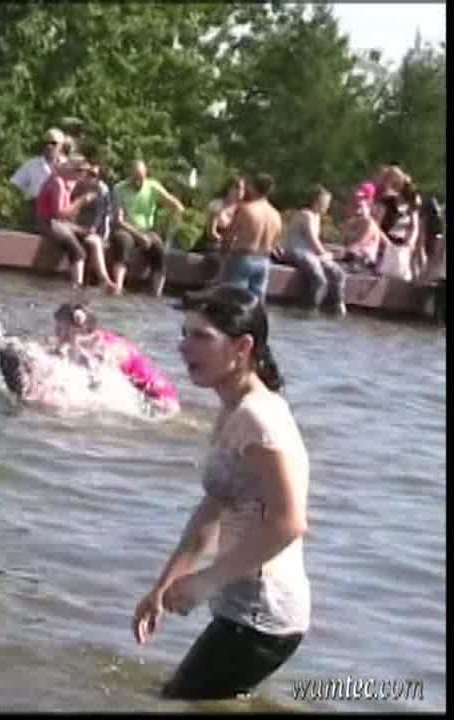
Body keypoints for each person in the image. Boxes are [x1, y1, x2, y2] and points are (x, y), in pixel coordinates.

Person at [132, 284, 310, 700]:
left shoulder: (258, 418)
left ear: (242, 347)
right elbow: (212, 508)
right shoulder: (233, 409)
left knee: (174, 701)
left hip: (263, 616)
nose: (184, 347)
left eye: (201, 336)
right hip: (242, 608)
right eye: (184, 333)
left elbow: (289, 522)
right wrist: (163, 586)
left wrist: (205, 582)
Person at [51, 302, 180, 413]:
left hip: (161, 403)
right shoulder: (91, 342)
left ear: (79, 328)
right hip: (151, 399)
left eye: (60, 327)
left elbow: (99, 386)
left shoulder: (105, 349)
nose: (55, 332)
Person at [36, 156, 117, 290]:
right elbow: (60, 213)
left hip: (60, 224)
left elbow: (68, 214)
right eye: (82, 173)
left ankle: (104, 279)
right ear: (73, 170)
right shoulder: (58, 183)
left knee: (94, 238)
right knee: (79, 252)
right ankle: (76, 286)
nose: (82, 178)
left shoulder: (65, 183)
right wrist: (81, 201)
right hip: (49, 223)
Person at [107, 159, 185, 297]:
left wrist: (174, 214)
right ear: (130, 175)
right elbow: (118, 221)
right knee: (122, 242)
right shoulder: (119, 189)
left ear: (146, 175)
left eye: (141, 178)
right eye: (136, 178)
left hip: (147, 230)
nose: (139, 182)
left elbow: (175, 204)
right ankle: (118, 287)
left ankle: (156, 292)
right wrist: (138, 236)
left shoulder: (153, 186)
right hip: (126, 228)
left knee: (159, 250)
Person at [279, 185, 347, 315]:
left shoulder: (317, 217)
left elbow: (315, 243)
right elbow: (312, 239)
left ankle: (337, 305)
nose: (328, 206)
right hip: (296, 251)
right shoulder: (306, 215)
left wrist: (328, 252)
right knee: (319, 278)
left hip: (310, 253)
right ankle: (309, 310)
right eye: (326, 202)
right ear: (316, 201)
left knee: (338, 273)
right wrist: (325, 254)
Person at [217, 173, 283, 304]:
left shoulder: (247, 209)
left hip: (243, 258)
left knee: (233, 302)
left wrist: (223, 259)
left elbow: (229, 236)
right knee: (255, 305)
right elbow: (275, 243)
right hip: (264, 261)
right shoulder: (276, 215)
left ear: (252, 187)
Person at [375, 180, 420, 281]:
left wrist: (410, 242)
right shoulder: (387, 203)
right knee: (382, 271)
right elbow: (376, 225)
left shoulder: (412, 207)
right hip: (384, 241)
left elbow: (414, 227)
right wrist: (386, 243)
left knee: (401, 271)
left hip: (402, 243)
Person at [339, 188, 387, 275]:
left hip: (364, 265)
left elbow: (359, 245)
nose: (357, 203)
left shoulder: (369, 223)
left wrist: (339, 254)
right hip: (351, 261)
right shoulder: (351, 222)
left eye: (361, 200)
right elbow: (345, 242)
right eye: (355, 202)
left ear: (369, 204)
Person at [10, 128, 65, 201]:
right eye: (46, 143)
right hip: (35, 204)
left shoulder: (68, 165)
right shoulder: (31, 164)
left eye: (53, 143)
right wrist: (26, 197)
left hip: (62, 205)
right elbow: (15, 184)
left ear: (61, 146)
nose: (49, 146)